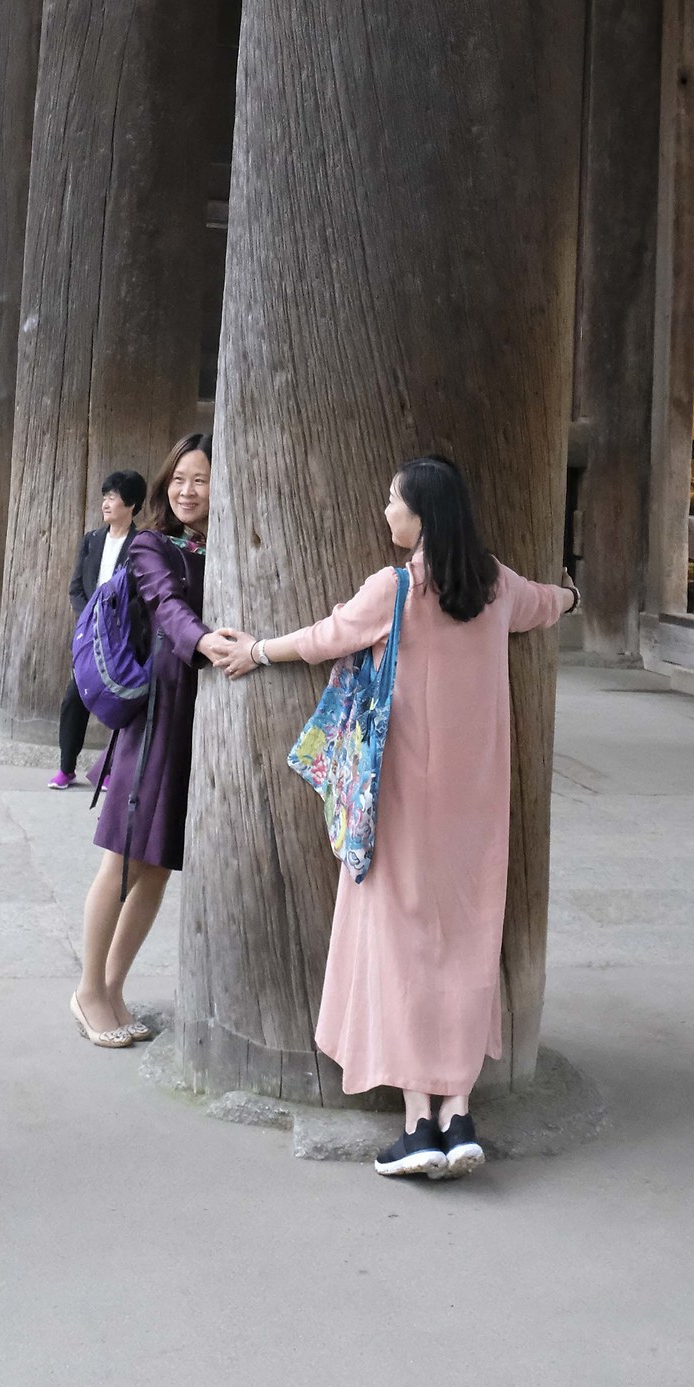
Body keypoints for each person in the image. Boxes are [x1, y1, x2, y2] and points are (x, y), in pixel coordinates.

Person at [210, 456, 576, 1182]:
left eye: (393, 502)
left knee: (405, 943)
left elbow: (326, 636)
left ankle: (418, 1122)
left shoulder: (396, 588)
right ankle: (460, 1111)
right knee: (469, 939)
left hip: (403, 800)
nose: (386, 513)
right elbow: (548, 603)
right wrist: (574, 592)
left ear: (421, 516)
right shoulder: (496, 586)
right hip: (477, 805)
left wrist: (256, 650)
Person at [70, 432, 215, 1050]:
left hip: (199, 722)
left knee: (156, 869)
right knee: (125, 859)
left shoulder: (225, 549)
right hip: (156, 718)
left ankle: (114, 985)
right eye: (179, 477)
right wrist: (206, 642)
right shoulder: (151, 545)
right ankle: (87, 990)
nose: (187, 490)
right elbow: (167, 606)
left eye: (202, 479)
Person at [50, 468, 148, 790]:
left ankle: (108, 771)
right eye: (105, 497)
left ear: (131, 504)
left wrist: (115, 619)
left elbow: (142, 595)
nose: (106, 503)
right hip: (89, 637)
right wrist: (90, 618)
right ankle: (66, 768)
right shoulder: (91, 540)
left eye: (113, 497)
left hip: (122, 638)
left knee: (119, 702)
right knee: (74, 699)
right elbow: (76, 588)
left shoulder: (141, 544)